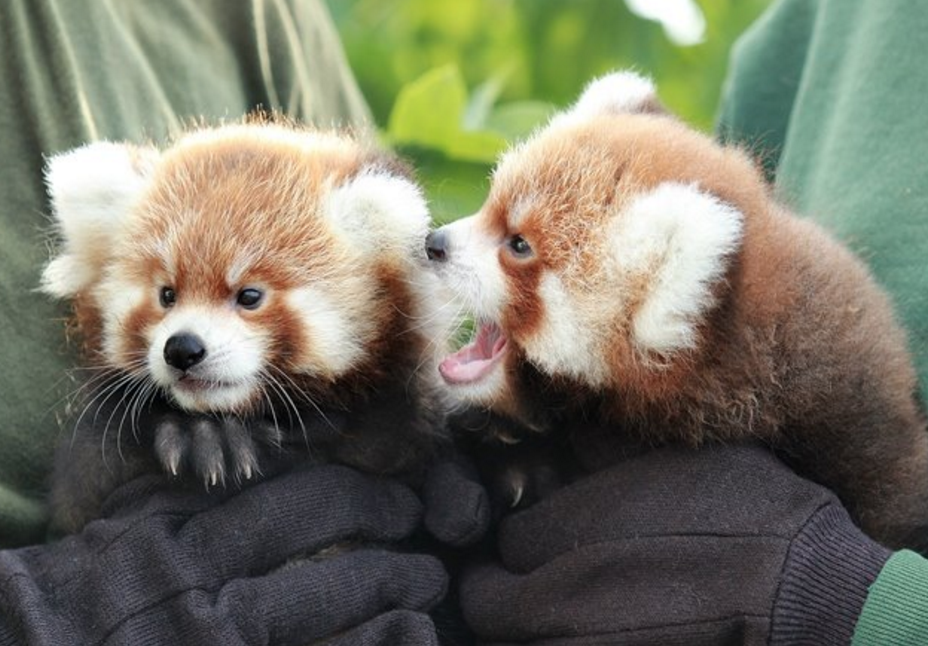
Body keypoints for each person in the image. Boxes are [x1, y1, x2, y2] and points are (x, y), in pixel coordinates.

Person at [0, 2, 486, 643]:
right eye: (167, 295)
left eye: (249, 297)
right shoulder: (117, 429)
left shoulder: (264, 17)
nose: (184, 338)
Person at [457, 0, 928, 644]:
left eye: (517, 246)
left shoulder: (700, 276)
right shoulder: (805, 30)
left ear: (666, 295)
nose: (445, 240)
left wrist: (864, 608)